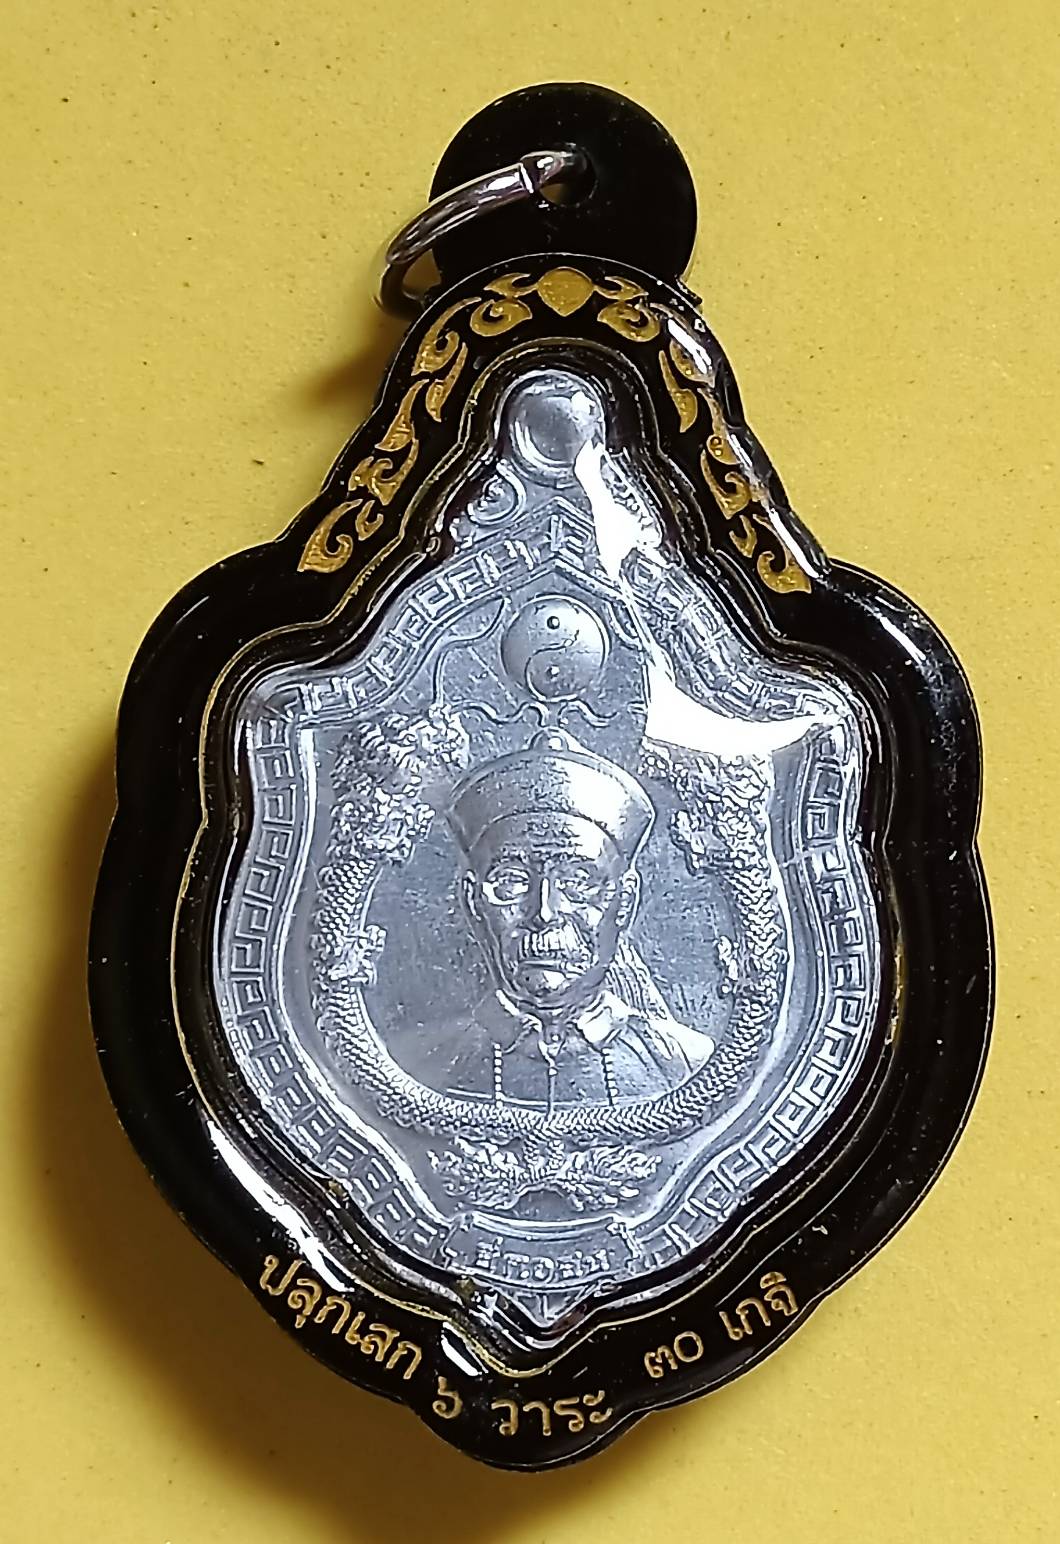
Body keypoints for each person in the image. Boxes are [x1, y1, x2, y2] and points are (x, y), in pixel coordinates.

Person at [411, 730, 714, 1108]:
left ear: (625, 901)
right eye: (512, 881)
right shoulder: (421, 1065)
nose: (544, 913)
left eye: (577, 882)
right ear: (472, 902)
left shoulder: (686, 1063)